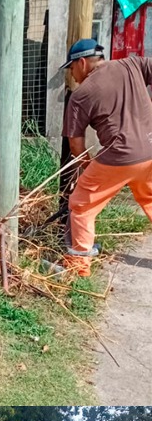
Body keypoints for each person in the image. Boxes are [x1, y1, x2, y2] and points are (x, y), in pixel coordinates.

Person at [60, 38, 152, 276]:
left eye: (71, 68)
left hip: (119, 156)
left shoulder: (81, 95)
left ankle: (79, 266)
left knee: (81, 205)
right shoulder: (133, 65)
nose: (72, 74)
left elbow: (75, 142)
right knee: (150, 200)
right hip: (150, 150)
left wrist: (86, 165)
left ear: (82, 62)